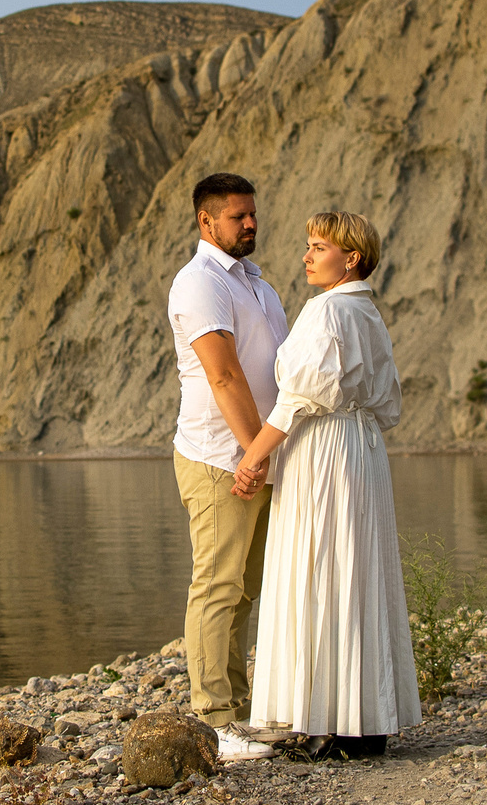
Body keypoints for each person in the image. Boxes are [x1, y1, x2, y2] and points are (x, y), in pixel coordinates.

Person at [230, 210, 419, 758]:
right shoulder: (368, 314)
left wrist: (252, 459)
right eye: (308, 245)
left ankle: (324, 720)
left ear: (350, 257)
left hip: (324, 450)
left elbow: (296, 401)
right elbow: (388, 403)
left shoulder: (329, 312)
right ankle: (361, 722)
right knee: (357, 571)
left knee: (319, 568)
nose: (307, 256)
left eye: (318, 246)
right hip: (362, 450)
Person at [166, 172, 289, 759]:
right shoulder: (198, 283)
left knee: (247, 589)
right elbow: (223, 374)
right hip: (221, 457)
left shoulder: (258, 284)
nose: (250, 224)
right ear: (205, 222)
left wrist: (267, 452)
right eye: (238, 216)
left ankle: (239, 713)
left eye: (252, 214)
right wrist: (249, 452)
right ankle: (212, 722)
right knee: (217, 586)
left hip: (258, 456)